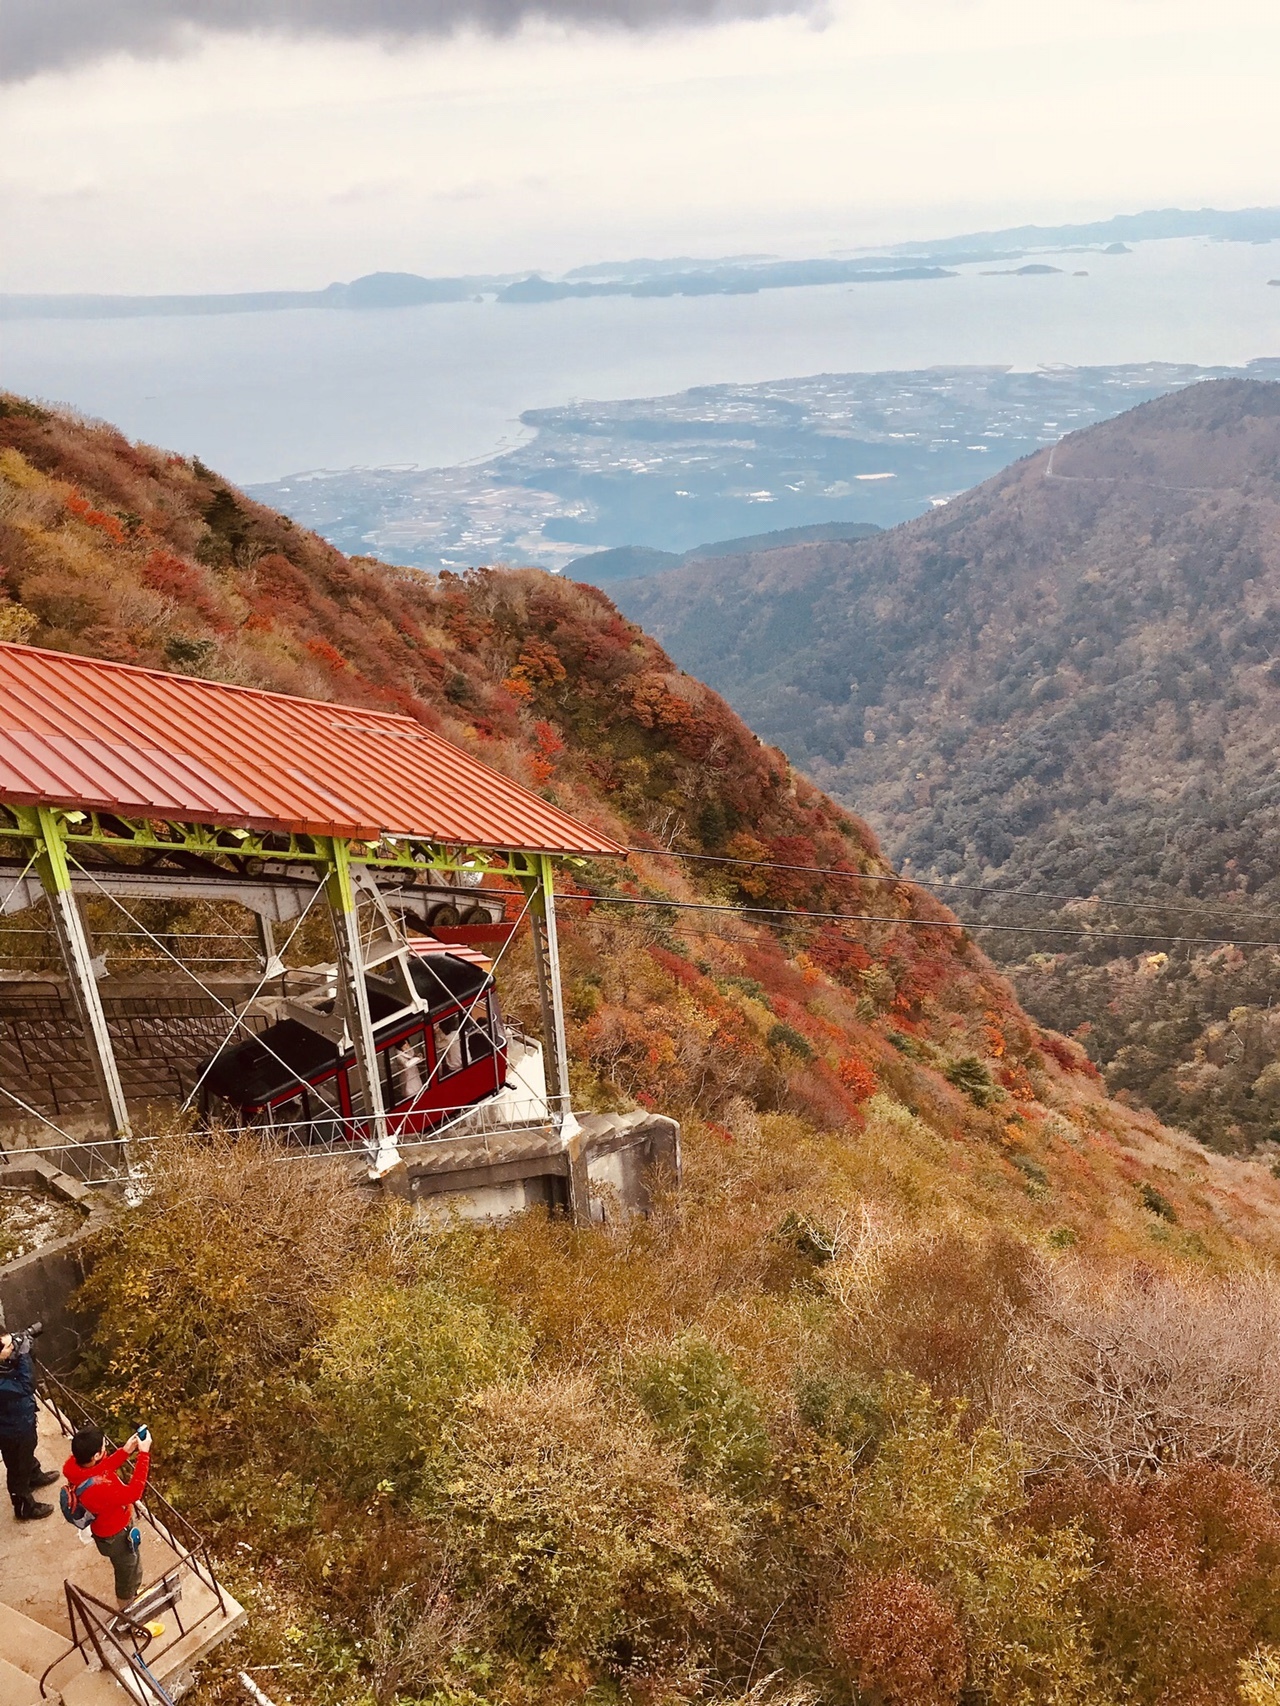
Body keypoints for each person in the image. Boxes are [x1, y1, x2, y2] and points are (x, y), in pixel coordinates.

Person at [63, 1424, 152, 1609]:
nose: (105, 1450)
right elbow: (134, 1492)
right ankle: (130, 1613)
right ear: (95, 1455)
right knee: (127, 1571)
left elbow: (100, 1469)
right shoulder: (98, 1489)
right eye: (104, 1448)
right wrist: (144, 1455)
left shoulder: (76, 1468)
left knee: (131, 1564)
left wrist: (126, 1451)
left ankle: (134, 1594)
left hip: (108, 1528)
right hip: (116, 1534)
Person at [0, 1326, 57, 1521]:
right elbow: (26, 1385)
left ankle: (33, 1475)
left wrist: (25, 1350)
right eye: (9, 1346)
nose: (13, 1348)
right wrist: (23, 1354)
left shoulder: (5, 1363)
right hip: (10, 1429)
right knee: (17, 1467)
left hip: (20, 1419)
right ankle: (24, 1507)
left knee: (27, 1452)